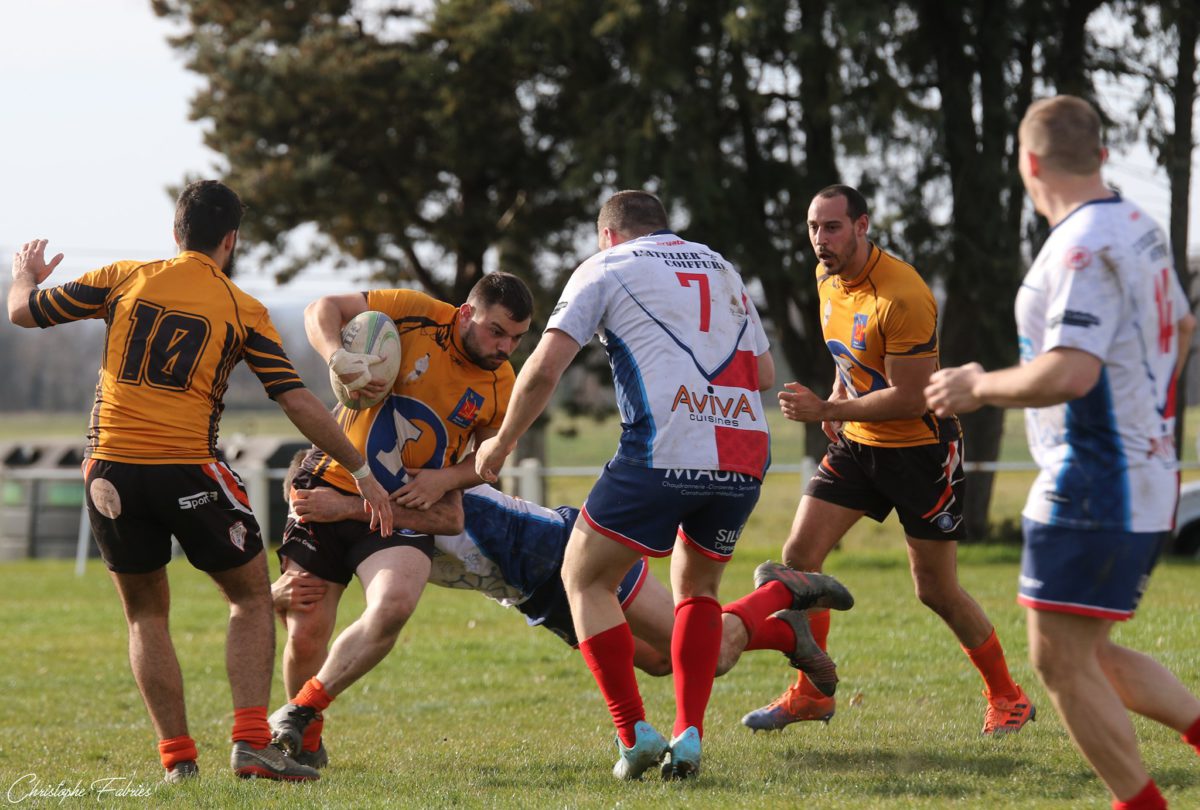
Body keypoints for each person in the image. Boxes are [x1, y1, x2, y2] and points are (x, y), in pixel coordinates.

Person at [5, 180, 393, 783]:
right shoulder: (243, 308)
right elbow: (296, 402)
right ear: (231, 240)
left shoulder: (124, 277)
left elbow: (23, 313)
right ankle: (249, 742)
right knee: (249, 596)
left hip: (109, 470)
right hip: (186, 468)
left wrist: (25, 273)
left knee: (145, 616)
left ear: (176, 232)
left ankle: (177, 762)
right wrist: (363, 470)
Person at [925, 95, 1200, 810]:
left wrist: (978, 385)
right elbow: (1184, 325)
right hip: (1144, 472)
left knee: (1059, 661)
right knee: (1090, 654)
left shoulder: (1080, 246)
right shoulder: (1139, 228)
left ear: (1029, 161)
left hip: (1094, 478)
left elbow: (1072, 372)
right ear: (1102, 154)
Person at [271, 455, 852, 768]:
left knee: (706, 653)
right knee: (658, 662)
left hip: (568, 553)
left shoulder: (399, 483)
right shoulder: (362, 532)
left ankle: (778, 591)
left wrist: (341, 502)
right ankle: (786, 635)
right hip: (535, 592)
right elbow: (312, 576)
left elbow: (446, 518)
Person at [476, 190, 779, 780]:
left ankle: (635, 733)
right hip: (743, 451)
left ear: (607, 234)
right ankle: (689, 736)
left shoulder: (607, 266)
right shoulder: (722, 267)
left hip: (662, 450)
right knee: (697, 592)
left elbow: (543, 367)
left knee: (584, 575)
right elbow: (764, 373)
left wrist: (501, 442)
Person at [740, 184, 1034, 737]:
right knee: (799, 557)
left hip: (920, 452)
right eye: (813, 228)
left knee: (935, 590)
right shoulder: (827, 278)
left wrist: (828, 406)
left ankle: (1008, 697)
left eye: (832, 227)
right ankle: (811, 694)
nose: (820, 240)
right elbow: (846, 355)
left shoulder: (903, 293)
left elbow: (911, 397)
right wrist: (837, 400)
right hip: (857, 444)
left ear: (862, 225)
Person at [267, 273, 534, 763]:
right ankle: (304, 739)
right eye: (498, 332)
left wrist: (445, 479)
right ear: (466, 313)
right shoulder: (412, 312)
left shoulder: (502, 382)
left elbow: (493, 459)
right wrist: (337, 356)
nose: (506, 347)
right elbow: (321, 308)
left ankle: (301, 709)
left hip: (407, 509)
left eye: (516, 338)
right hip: (330, 481)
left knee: (393, 605)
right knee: (305, 624)